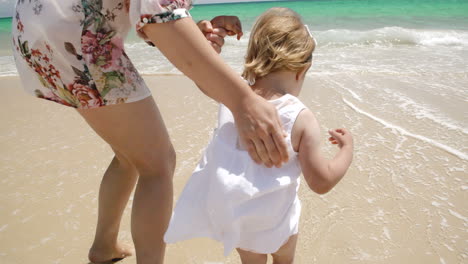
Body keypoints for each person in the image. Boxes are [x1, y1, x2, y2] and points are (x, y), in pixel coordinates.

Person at [11, 1, 290, 263]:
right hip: (80, 36)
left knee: (131, 154)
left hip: (43, 27)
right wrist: (244, 101)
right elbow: (161, 18)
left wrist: (190, 30)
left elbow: (151, 15)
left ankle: (104, 246)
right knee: (158, 163)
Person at [164, 7, 354, 264]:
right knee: (284, 258)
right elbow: (321, 182)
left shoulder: (234, 96)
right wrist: (347, 150)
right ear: (301, 70)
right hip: (278, 223)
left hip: (240, 223)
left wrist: (211, 48)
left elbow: (204, 79)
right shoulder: (301, 117)